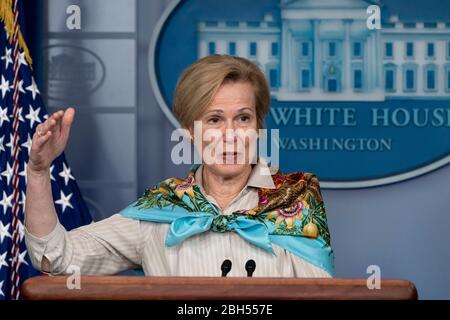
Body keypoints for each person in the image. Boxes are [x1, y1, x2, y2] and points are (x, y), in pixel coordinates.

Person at [25, 55, 334, 277]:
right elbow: (54, 258)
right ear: (189, 132)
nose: (230, 135)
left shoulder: (296, 202)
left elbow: (322, 299)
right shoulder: (161, 207)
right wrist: (39, 173)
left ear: (259, 127)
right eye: (214, 120)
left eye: (243, 118)